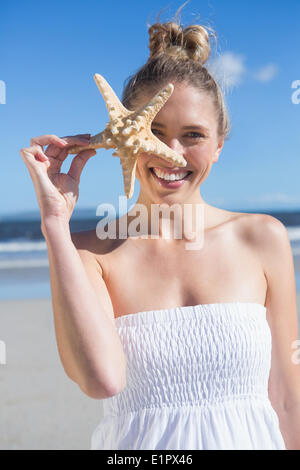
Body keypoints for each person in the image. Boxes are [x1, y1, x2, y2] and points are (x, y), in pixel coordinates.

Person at [20, 17, 300, 451]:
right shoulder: (88, 253)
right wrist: (55, 223)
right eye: (153, 132)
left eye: (193, 135)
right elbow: (101, 380)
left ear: (219, 145)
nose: (171, 153)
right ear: (119, 140)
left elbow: (287, 400)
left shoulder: (263, 239)